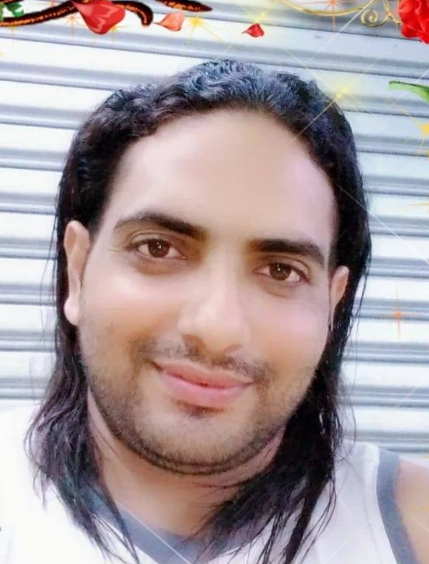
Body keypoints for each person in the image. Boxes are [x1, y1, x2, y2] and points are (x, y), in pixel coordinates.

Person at [0, 58, 428, 564]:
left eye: (281, 271)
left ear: (332, 306)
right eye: (158, 248)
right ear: (78, 270)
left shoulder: (412, 524)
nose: (216, 328)